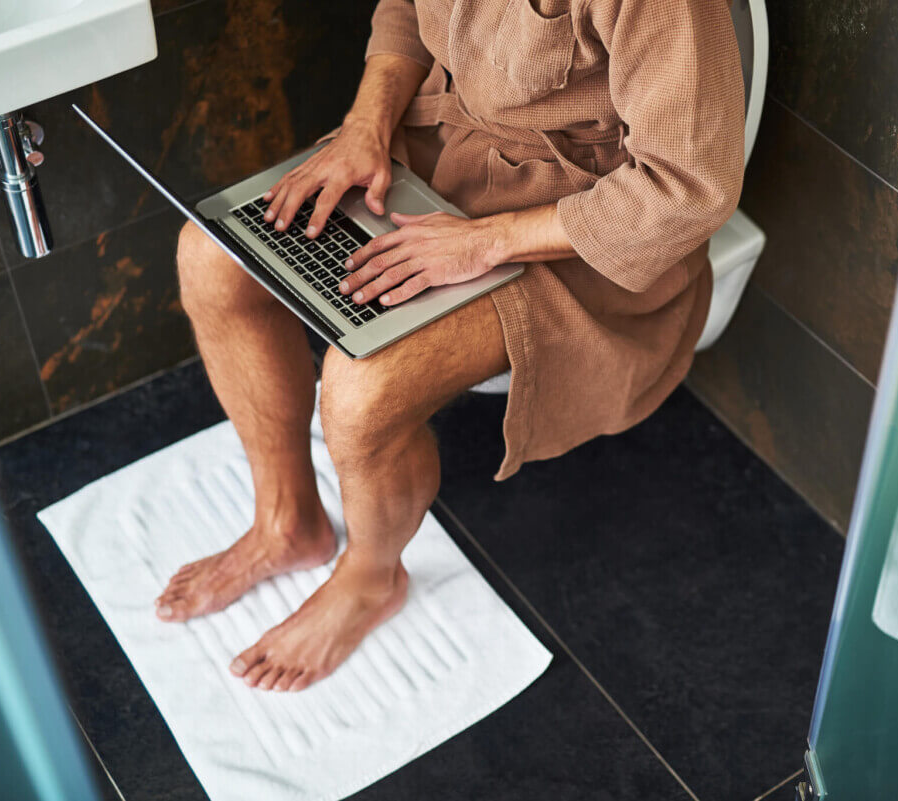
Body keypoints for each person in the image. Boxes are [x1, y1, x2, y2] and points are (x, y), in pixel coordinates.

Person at [155, 0, 745, 691]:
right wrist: (363, 127)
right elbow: (406, 8)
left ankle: (371, 577)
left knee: (363, 385)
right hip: (443, 144)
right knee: (211, 255)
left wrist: (484, 243)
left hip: (577, 220)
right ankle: (287, 520)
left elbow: (686, 190)